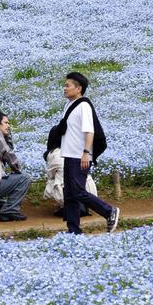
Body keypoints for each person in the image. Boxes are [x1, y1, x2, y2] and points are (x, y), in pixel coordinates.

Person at [51, 71, 119, 235]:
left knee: (78, 191)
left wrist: (86, 153)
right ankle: (73, 231)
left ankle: (109, 211)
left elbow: (90, 131)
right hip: (69, 155)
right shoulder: (69, 105)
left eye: (68, 85)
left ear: (79, 88)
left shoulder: (84, 106)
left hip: (79, 156)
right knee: (69, 194)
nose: (64, 88)